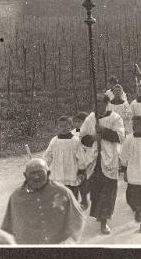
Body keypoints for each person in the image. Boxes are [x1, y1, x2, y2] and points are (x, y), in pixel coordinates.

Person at [1, 158, 85, 244]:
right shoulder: (16, 197)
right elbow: (7, 227)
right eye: (32, 173)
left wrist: (68, 242)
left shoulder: (63, 192)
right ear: (25, 175)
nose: (36, 177)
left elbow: (77, 219)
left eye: (40, 172)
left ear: (48, 173)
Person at [79, 94, 125, 235]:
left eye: (100, 102)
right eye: (96, 103)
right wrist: (93, 137)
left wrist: (104, 131)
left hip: (109, 158)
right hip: (95, 160)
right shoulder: (90, 118)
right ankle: (100, 213)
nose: (98, 105)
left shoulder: (115, 118)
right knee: (97, 191)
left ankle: (104, 220)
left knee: (108, 192)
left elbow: (120, 136)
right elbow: (82, 138)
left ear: (106, 103)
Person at [43, 116, 87, 204]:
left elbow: (81, 158)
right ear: (57, 127)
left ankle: (73, 215)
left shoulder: (75, 141)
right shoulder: (54, 141)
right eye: (61, 126)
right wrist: (41, 166)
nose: (63, 128)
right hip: (58, 176)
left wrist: (81, 171)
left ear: (70, 126)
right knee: (59, 201)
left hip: (71, 175)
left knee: (72, 200)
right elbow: (47, 156)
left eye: (65, 126)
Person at [71, 111, 90, 210]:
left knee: (85, 182)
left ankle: (85, 198)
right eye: (75, 122)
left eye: (79, 122)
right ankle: (80, 201)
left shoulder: (89, 132)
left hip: (87, 160)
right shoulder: (72, 133)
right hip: (76, 161)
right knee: (77, 182)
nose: (77, 124)